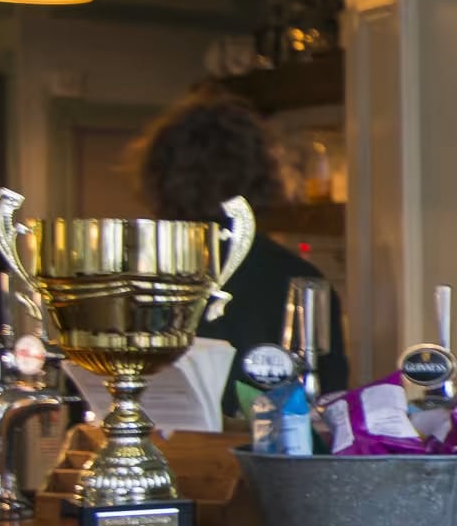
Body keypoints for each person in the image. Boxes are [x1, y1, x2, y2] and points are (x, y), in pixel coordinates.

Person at [131, 91, 351, 411]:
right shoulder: (300, 279)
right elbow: (328, 400)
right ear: (261, 175)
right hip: (267, 453)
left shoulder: (135, 271)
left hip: (158, 451)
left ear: (157, 177)